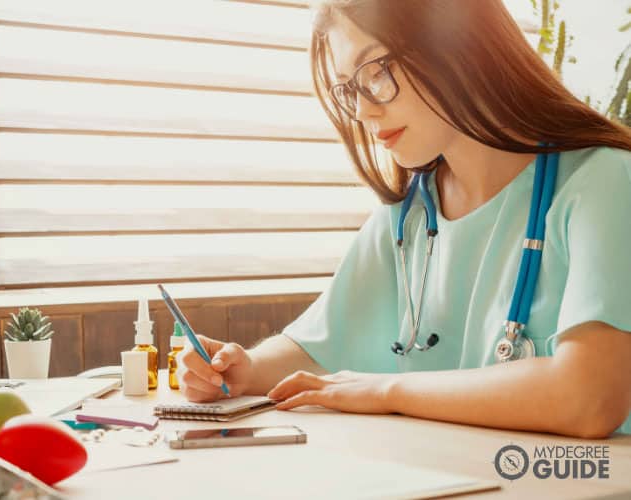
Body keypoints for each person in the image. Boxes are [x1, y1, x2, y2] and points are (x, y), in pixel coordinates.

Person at [176, 0, 631, 439]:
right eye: (349, 87)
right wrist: (241, 369)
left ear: (458, 40)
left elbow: (588, 398)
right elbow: (320, 347)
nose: (362, 109)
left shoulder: (604, 180)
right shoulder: (410, 214)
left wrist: (387, 390)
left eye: (377, 70)